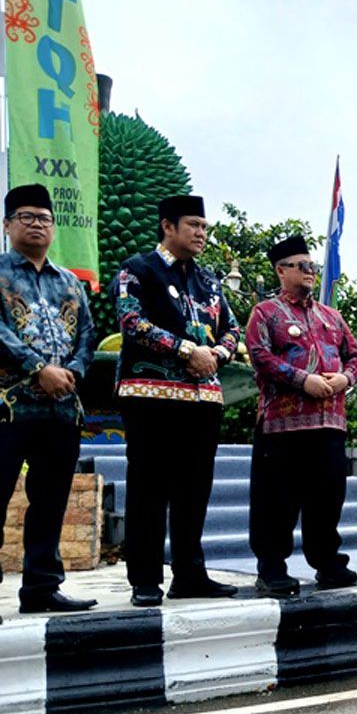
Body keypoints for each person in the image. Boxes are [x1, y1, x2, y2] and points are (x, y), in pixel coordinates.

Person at [111, 195, 242, 607]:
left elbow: (232, 329)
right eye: (194, 226)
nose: (202, 234)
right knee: (148, 487)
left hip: (203, 398)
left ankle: (189, 574)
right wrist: (188, 351)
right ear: (168, 227)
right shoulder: (137, 269)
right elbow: (131, 322)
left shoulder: (209, 280)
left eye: (205, 227)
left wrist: (216, 354)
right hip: (151, 395)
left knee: (194, 490)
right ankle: (145, 579)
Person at [245, 236, 357, 596]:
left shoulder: (332, 316)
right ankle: (271, 569)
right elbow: (259, 356)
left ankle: (327, 564)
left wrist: (345, 378)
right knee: (276, 500)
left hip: (330, 422)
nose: (310, 272)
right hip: (281, 426)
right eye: (302, 266)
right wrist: (303, 380)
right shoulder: (265, 313)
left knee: (328, 498)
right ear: (281, 270)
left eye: (313, 266)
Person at [0, 184, 98, 615]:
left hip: (61, 410)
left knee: (50, 502)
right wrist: (38, 368)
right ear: (7, 225)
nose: (37, 224)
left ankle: (41, 589)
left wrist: (72, 371)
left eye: (44, 218)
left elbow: (88, 337)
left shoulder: (71, 284)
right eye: (27, 217)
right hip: (9, 407)